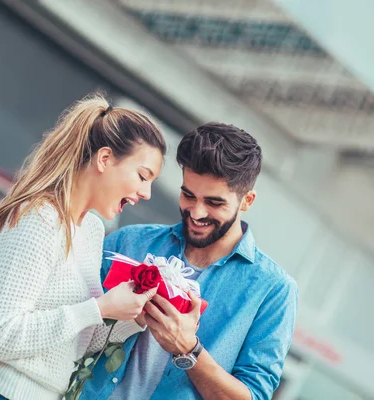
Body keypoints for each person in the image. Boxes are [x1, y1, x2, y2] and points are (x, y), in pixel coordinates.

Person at [0, 92, 167, 400]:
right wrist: (98, 308)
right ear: (104, 159)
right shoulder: (39, 218)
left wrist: (134, 315)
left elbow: (74, 341)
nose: (147, 192)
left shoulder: (91, 230)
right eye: (142, 176)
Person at [80, 122, 298, 400]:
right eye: (188, 195)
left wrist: (188, 349)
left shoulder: (274, 291)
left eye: (214, 203)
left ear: (247, 201)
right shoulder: (129, 243)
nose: (196, 212)